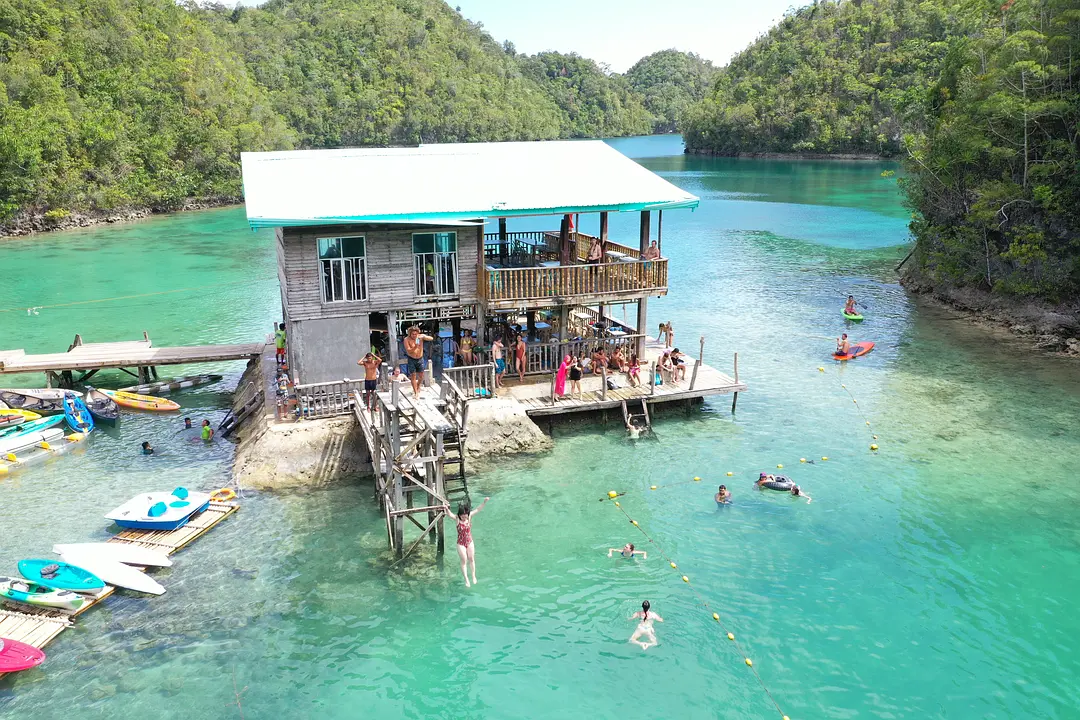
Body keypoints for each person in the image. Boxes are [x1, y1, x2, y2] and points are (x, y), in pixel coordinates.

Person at [443, 496, 490, 587]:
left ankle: (473, 576)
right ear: (460, 514)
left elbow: (477, 509)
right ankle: (466, 579)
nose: (464, 516)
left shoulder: (469, 517)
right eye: (462, 515)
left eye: (465, 514)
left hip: (469, 541)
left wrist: (484, 502)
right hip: (460, 543)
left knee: (471, 559)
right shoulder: (457, 519)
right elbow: (450, 514)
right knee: (464, 560)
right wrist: (446, 509)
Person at [404, 326, 434, 399]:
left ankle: (418, 386)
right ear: (410, 334)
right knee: (413, 375)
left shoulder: (419, 337)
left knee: (421, 376)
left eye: (415, 334)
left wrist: (423, 337)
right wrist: (415, 346)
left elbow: (431, 338)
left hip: (420, 358)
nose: (414, 336)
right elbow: (409, 350)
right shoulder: (406, 339)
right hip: (412, 359)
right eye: (412, 334)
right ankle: (415, 392)